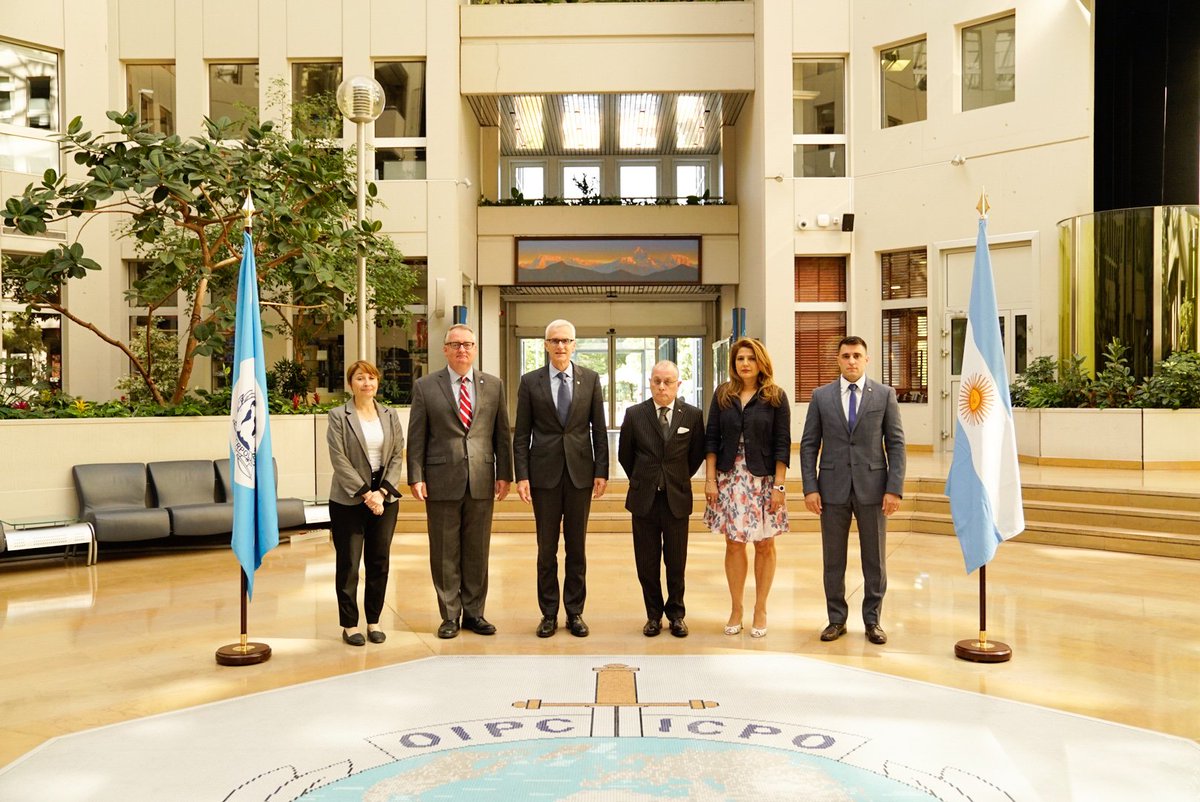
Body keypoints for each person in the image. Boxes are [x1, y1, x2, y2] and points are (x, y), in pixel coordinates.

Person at [407, 324, 513, 639]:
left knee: (477, 550)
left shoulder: (493, 385)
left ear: (475, 349)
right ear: (445, 350)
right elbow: (417, 435)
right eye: (455, 344)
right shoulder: (426, 386)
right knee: (444, 551)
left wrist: (504, 474)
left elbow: (501, 434)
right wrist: (416, 476)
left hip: (481, 478)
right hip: (441, 479)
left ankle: (475, 613)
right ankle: (450, 615)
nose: (462, 350)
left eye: (467, 344)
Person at [800, 335, 906, 645]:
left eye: (857, 355)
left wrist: (894, 489)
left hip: (873, 489)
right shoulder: (821, 397)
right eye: (846, 355)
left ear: (866, 359)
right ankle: (836, 620)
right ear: (838, 359)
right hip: (831, 490)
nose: (851, 361)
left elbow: (896, 444)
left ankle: (873, 621)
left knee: (875, 560)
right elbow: (809, 445)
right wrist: (810, 488)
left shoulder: (884, 395)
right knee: (833, 560)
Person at [514, 319, 608, 638]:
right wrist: (522, 476)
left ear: (574, 345)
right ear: (545, 345)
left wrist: (601, 470)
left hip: (580, 474)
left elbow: (599, 429)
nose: (560, 346)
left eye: (566, 340)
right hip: (544, 476)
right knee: (546, 549)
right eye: (554, 340)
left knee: (577, 548)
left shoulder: (590, 379)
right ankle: (549, 613)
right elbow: (521, 434)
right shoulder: (530, 382)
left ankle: (575, 612)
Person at [703, 337, 791, 639]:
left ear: (761, 362)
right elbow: (711, 438)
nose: (745, 363)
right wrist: (710, 479)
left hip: (764, 479)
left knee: (765, 544)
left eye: (751, 358)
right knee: (733, 543)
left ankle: (760, 608)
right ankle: (736, 608)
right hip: (730, 478)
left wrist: (779, 486)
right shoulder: (723, 394)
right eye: (740, 358)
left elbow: (782, 443)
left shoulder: (775, 396)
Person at [618, 361, 706, 638]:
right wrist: (645, 478)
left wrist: (674, 478)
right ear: (650, 383)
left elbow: (696, 454)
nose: (662, 387)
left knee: (676, 562)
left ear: (678, 384)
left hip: (676, 498)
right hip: (644, 499)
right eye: (657, 381)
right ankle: (653, 615)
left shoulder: (692, 415)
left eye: (668, 382)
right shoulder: (635, 414)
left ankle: (676, 614)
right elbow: (625, 455)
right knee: (647, 562)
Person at [326, 360, 405, 646]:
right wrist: (365, 494)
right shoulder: (338, 415)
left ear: (377, 382)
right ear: (351, 384)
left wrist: (381, 493)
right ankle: (349, 624)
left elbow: (397, 454)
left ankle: (374, 621)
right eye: (360, 378)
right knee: (349, 563)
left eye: (371, 378)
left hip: (385, 498)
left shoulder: (390, 414)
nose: (366, 383)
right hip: (348, 500)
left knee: (379, 561)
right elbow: (338, 458)